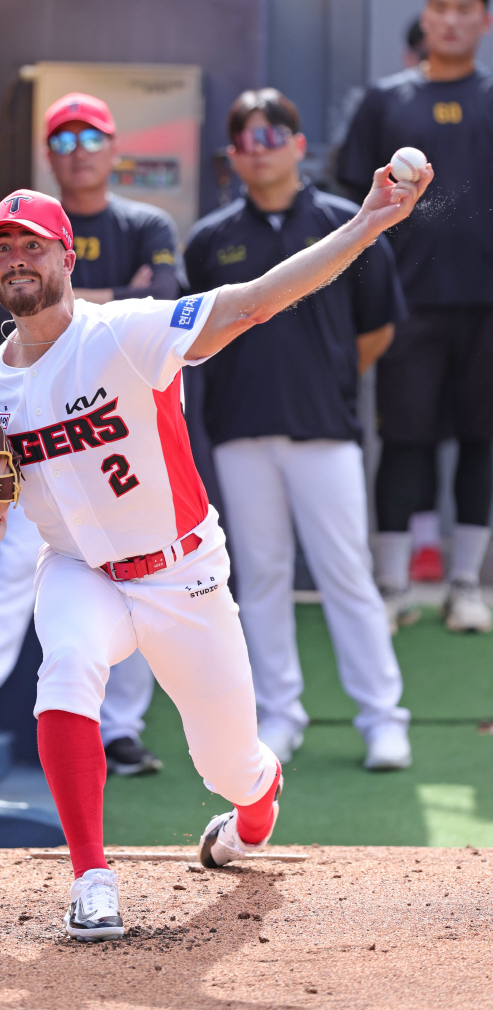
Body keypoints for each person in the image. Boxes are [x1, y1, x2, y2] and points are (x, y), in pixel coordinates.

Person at [0, 153, 430, 939]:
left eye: (31, 244)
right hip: (80, 571)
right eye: (2, 247)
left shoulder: (124, 331)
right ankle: (92, 879)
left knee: (229, 762)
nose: (15, 258)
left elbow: (254, 301)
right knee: (66, 666)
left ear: (67, 258)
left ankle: (257, 797)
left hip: (181, 571)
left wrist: (367, 223)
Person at [0, 91, 181, 775]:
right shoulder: (27, 228)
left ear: (113, 147)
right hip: (37, 426)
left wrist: (75, 302)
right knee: (14, 567)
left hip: (115, 431)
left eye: (90, 139)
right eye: (64, 143)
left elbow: (153, 304)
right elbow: (34, 303)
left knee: (139, 575)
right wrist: (103, 298)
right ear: (49, 155)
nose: (78, 154)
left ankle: (121, 730)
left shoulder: (146, 220)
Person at [184, 88, 411, 770]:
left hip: (327, 432)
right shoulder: (209, 240)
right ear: (233, 155)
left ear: (299, 143)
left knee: (349, 574)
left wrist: (327, 377)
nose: (260, 147)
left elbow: (375, 330)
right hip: (241, 432)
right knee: (260, 578)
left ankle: (382, 718)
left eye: (272, 132)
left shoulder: (350, 222)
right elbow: (195, 339)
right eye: (246, 137)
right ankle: (279, 715)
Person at [337, 0, 493, 634]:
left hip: (487, 307)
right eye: (442, 7)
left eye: (466, 8)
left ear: (483, 22)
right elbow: (350, 203)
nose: (452, 19)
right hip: (406, 305)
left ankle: (467, 586)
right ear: (425, 18)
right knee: (404, 442)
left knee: (482, 442)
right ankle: (393, 587)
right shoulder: (384, 101)